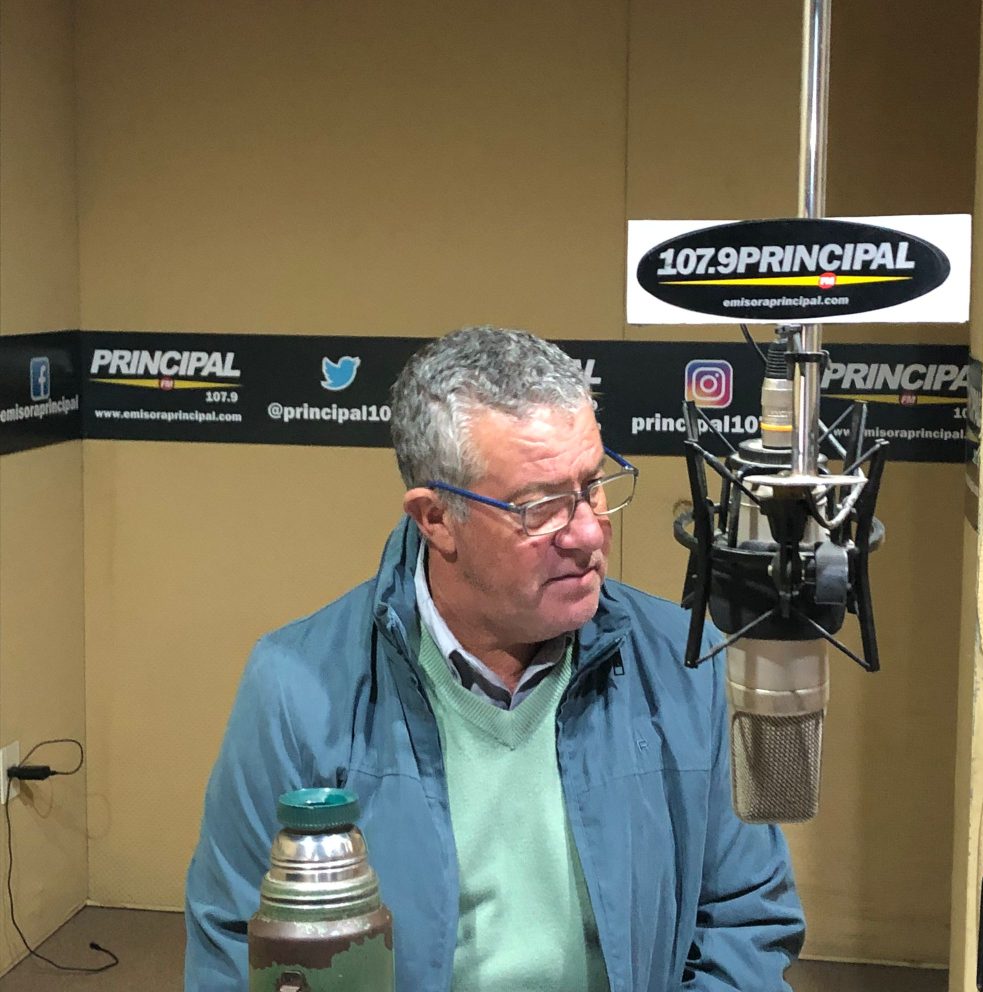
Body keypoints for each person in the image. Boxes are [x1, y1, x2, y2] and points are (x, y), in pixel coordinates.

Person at [184, 326, 805, 991]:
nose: (588, 533)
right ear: (436, 519)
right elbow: (238, 948)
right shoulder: (296, 690)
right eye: (540, 507)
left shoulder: (684, 662)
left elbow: (744, 917)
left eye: (592, 485)